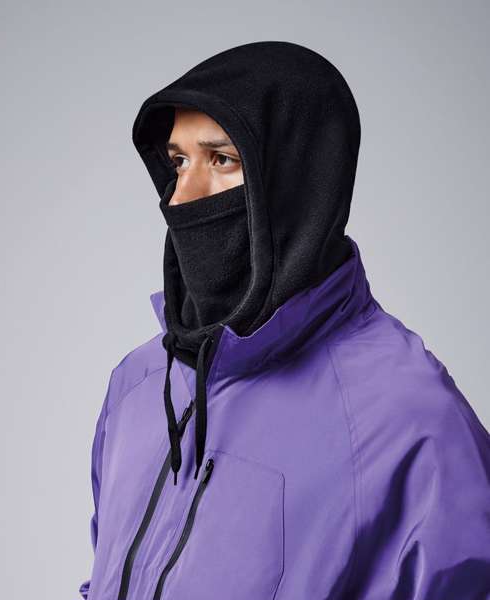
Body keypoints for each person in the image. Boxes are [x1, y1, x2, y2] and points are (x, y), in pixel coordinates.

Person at [78, 41, 490, 600]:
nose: (182, 195)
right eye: (178, 162)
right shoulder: (140, 384)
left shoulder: (411, 421)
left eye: (222, 159)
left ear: (300, 177)